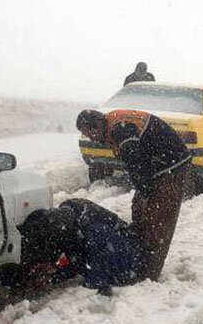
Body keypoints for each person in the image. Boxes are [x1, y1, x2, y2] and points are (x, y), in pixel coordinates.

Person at [76, 108, 190, 281]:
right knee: (140, 210)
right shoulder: (113, 124)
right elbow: (137, 164)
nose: (92, 139)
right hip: (158, 166)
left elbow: (135, 161)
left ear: (97, 124)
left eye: (91, 133)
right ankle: (137, 257)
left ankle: (149, 273)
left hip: (171, 165)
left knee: (158, 218)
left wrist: (146, 191)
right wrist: (143, 192)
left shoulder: (120, 129)